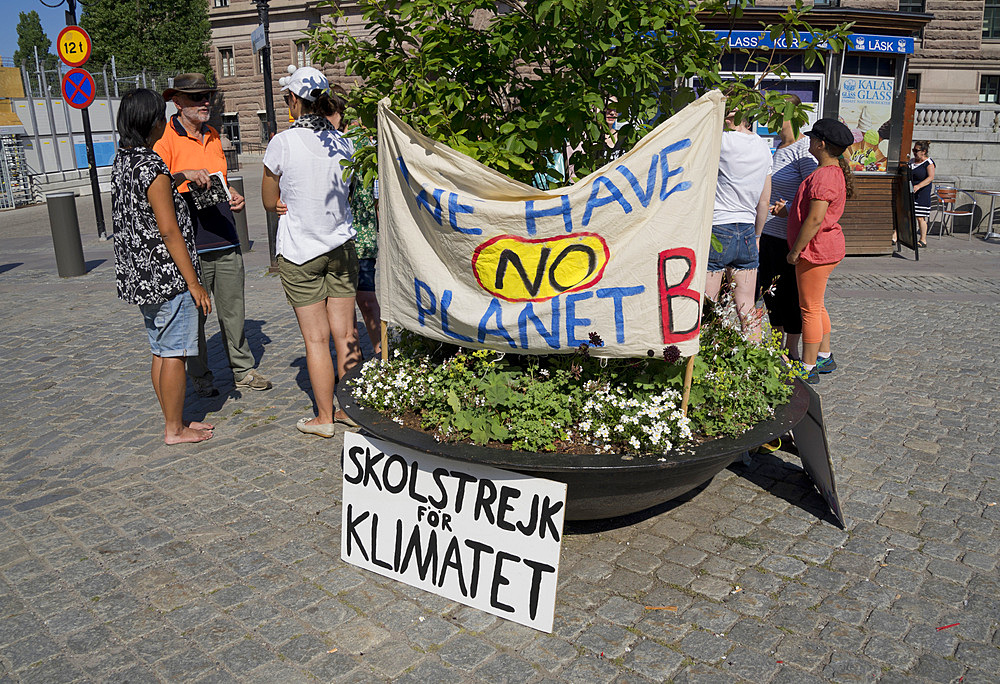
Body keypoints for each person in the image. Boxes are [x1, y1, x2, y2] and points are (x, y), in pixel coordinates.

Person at [154, 73, 272, 397]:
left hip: (226, 238)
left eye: (207, 96)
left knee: (235, 311)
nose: (205, 102)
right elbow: (157, 189)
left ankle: (243, 371)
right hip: (192, 245)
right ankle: (201, 378)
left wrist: (232, 193)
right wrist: (184, 177)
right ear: (177, 102)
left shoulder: (214, 135)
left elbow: (219, 179)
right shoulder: (164, 141)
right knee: (195, 317)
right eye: (196, 98)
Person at [262, 66, 361, 436]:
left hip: (301, 250)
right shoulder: (343, 143)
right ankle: (352, 410)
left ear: (293, 101)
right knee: (346, 333)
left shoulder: (282, 143)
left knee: (316, 339)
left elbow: (270, 199)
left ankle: (324, 418)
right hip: (340, 245)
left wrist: (282, 203)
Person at [111, 88, 213, 444]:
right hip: (167, 275)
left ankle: (174, 419)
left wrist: (177, 177)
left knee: (160, 348)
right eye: (160, 116)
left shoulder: (124, 159)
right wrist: (195, 284)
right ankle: (175, 429)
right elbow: (169, 231)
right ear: (152, 122)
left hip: (140, 275)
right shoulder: (152, 165)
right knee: (175, 353)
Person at [771, 118, 855, 385]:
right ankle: (824, 355)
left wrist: (796, 250)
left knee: (808, 308)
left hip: (815, 251)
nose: (807, 141)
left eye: (811, 138)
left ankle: (808, 366)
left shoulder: (822, 176)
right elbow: (811, 213)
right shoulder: (832, 172)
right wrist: (789, 211)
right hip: (825, 249)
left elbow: (816, 219)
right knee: (816, 305)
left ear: (820, 144)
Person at [757, 95, 818, 361]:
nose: (768, 115)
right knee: (769, 292)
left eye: (774, 110)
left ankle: (791, 349)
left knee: (789, 295)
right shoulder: (778, 146)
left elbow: (815, 196)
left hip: (788, 236)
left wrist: (790, 208)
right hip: (768, 233)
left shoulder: (803, 149)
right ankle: (776, 343)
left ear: (790, 114)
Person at [705, 110, 773, 340]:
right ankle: (754, 365)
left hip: (717, 226)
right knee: (747, 308)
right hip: (746, 229)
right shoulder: (763, 146)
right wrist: (757, 236)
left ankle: (704, 364)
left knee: (708, 306)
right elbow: (764, 201)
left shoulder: (721, 140)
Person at [909, 141, 935, 248]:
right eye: (913, 150)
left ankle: (923, 239)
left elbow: (930, 177)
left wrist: (919, 186)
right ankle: (897, 236)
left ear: (923, 152)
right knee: (907, 214)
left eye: (916, 151)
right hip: (911, 191)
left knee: (920, 217)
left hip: (922, 193)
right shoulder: (911, 162)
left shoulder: (928, 163)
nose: (914, 153)